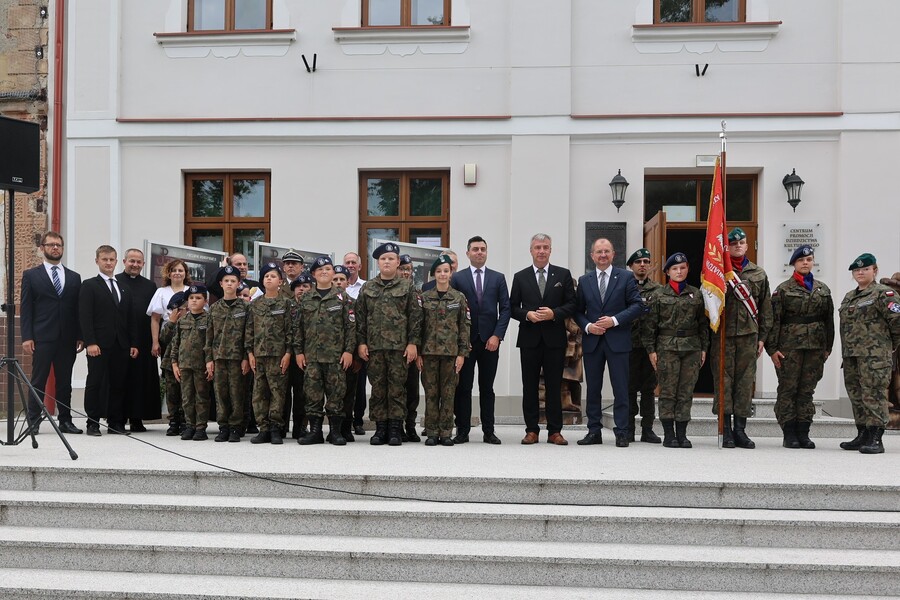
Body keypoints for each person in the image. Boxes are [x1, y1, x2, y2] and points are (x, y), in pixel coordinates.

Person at [574, 238, 643, 447]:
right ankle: (594, 431)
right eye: (598, 252)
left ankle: (622, 431)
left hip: (618, 341)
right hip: (593, 342)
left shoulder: (625, 277)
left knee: (621, 388)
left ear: (613, 254)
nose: (602, 255)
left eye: (606, 251)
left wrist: (614, 320)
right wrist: (587, 326)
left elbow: (637, 305)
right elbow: (577, 311)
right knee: (593, 388)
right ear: (592, 256)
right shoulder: (584, 280)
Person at [509, 233, 576, 445]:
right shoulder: (520, 277)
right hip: (529, 339)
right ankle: (531, 430)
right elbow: (511, 307)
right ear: (531, 250)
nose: (541, 251)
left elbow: (573, 304)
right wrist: (527, 315)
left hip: (554, 340)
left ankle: (555, 431)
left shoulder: (562, 275)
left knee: (554, 386)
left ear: (550, 250)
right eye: (537, 247)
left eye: (545, 247)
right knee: (528, 386)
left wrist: (554, 313)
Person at [765, 245, 834, 449]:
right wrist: (772, 349)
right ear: (794, 263)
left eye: (809, 259)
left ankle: (804, 432)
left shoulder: (823, 289)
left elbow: (828, 320)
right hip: (789, 348)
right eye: (802, 260)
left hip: (815, 348)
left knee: (807, 391)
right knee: (788, 389)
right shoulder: (783, 290)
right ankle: (789, 433)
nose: (806, 263)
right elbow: (773, 321)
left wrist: (827, 347)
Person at [355, 242, 423, 446]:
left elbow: (415, 317)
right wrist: (361, 343)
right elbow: (360, 318)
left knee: (397, 388)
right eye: (383, 259)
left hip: (399, 348)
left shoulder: (407, 286)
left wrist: (413, 344)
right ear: (378, 262)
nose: (387, 261)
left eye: (391, 258)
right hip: (374, 348)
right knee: (377, 388)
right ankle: (380, 428)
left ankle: (395, 428)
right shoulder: (368, 287)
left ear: (397, 262)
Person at [712, 227, 773, 449]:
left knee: (745, 383)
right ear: (726, 247)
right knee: (724, 383)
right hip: (723, 337)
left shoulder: (758, 273)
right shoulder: (717, 272)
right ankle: (726, 430)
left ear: (747, 246)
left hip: (749, 336)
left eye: (742, 243)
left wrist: (762, 337)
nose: (738, 246)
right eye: (733, 243)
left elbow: (766, 308)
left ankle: (740, 430)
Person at [643, 253, 709, 448]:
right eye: (674, 269)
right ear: (667, 272)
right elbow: (650, 326)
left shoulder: (696, 294)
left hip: (691, 347)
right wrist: (651, 350)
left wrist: (704, 348)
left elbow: (703, 324)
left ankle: (682, 433)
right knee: (668, 392)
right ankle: (669, 434)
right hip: (667, 348)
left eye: (682, 268)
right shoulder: (658, 295)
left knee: (686, 392)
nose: (679, 272)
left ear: (687, 269)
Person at [20, 231, 83, 434]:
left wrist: (80, 335)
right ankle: (33, 421)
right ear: (42, 248)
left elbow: (77, 309)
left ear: (62, 249)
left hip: (67, 338)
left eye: (58, 245)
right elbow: (26, 308)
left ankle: (65, 420)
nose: (55, 248)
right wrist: (27, 336)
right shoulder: (31, 275)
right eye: (51, 245)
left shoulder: (74, 277)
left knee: (65, 382)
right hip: (42, 337)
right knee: (38, 380)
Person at [451, 235, 510, 445]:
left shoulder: (498, 278)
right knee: (464, 387)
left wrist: (497, 335)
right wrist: (460, 340)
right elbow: (454, 312)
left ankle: (489, 431)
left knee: (487, 388)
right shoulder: (458, 278)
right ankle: (462, 431)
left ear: (486, 252)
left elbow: (505, 309)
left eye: (482, 249)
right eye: (475, 249)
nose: (479, 252)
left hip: (489, 342)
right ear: (468, 253)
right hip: (466, 343)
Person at [838, 253, 900, 454]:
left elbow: (897, 323)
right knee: (856, 395)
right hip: (852, 356)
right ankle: (862, 433)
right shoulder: (850, 296)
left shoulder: (884, 294)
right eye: (856, 270)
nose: (860, 273)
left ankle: (875, 437)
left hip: (875, 356)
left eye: (865, 269)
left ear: (875, 270)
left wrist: (888, 347)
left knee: (874, 394)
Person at [79, 245, 139, 436]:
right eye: (104, 259)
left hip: (121, 345)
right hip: (99, 345)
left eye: (111, 259)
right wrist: (90, 342)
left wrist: (134, 343)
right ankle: (93, 423)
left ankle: (115, 423)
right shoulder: (89, 286)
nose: (108, 263)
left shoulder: (124, 288)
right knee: (95, 383)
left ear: (116, 261)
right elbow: (85, 316)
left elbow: (130, 318)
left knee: (118, 384)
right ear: (97, 261)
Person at [295, 256, 355, 445]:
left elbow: (351, 327)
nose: (324, 272)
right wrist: (298, 351)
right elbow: (298, 328)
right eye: (320, 270)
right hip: (311, 356)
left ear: (333, 273)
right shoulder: (305, 298)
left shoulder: (343, 298)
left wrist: (348, 351)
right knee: (312, 394)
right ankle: (315, 432)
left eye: (328, 269)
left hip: (336, 357)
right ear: (313, 274)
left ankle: (335, 432)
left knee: (336, 394)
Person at [418, 255, 470, 446]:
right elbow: (418, 327)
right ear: (434, 274)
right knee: (431, 393)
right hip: (429, 353)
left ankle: (446, 432)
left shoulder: (459, 297)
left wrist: (462, 354)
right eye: (439, 271)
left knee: (448, 394)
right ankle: (432, 432)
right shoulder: (424, 298)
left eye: (446, 271)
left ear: (451, 273)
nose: (442, 274)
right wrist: (418, 353)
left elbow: (464, 327)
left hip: (450, 354)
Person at [245, 262, 296, 445]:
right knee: (259, 393)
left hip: (279, 356)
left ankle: (276, 427)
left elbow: (291, 331)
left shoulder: (287, 304)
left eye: (273, 276)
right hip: (259, 356)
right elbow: (249, 331)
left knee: (278, 393)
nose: (269, 279)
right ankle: (263, 428)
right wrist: (250, 353)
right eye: (266, 276)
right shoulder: (255, 305)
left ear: (280, 281)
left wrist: (289, 353)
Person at [116, 248, 161, 432]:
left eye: (138, 262)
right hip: (120, 339)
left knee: (140, 380)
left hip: (143, 339)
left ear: (143, 264)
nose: (135, 265)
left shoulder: (150, 286)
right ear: (124, 261)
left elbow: (155, 315)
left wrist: (154, 341)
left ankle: (137, 419)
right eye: (131, 261)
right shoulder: (115, 281)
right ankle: (118, 418)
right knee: (121, 379)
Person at [147, 259, 192, 434]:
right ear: (168, 273)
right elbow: (155, 319)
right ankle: (174, 421)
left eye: (181, 270)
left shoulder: (191, 292)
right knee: (171, 382)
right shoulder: (161, 292)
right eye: (174, 270)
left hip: (190, 339)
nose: (177, 273)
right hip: (169, 337)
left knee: (188, 381)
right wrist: (155, 341)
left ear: (186, 273)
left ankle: (187, 419)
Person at [206, 266, 249, 443]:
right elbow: (209, 336)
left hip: (238, 358)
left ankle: (236, 427)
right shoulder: (214, 308)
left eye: (233, 281)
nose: (230, 284)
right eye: (227, 281)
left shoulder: (246, 307)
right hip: (219, 358)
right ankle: (223, 427)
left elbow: (249, 334)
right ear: (221, 284)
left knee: (237, 394)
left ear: (238, 284)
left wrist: (246, 357)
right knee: (221, 394)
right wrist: (209, 359)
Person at [626, 248, 662, 443]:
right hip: (628, 346)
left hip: (650, 348)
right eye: (638, 262)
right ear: (631, 265)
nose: (642, 265)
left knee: (649, 389)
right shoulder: (623, 286)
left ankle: (647, 429)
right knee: (629, 388)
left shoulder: (658, 290)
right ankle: (629, 428)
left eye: (646, 262)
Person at [171, 284, 213, 441]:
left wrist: (210, 362)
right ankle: (190, 426)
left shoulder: (209, 320)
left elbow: (211, 343)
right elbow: (176, 344)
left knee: (201, 396)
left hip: (201, 365)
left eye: (198, 298)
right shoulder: (183, 321)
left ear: (205, 301)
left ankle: (201, 427)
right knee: (187, 397)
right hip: (185, 365)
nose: (194, 301)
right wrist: (174, 364)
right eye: (191, 298)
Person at [332, 264, 361, 442]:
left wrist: (356, 356)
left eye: (341, 279)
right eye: (335, 279)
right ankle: (334, 427)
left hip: (349, 357)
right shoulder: (324, 302)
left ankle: (346, 427)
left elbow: (358, 330)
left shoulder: (353, 303)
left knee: (349, 392)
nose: (338, 282)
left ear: (348, 282)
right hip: (330, 357)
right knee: (334, 393)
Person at [343, 251, 368, 435]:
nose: (350, 265)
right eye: (347, 262)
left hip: (359, 342)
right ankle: (343, 421)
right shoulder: (337, 286)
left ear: (359, 266)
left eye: (354, 262)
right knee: (341, 385)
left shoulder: (366, 287)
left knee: (359, 385)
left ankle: (358, 421)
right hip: (339, 345)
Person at [398, 254, 422, 442]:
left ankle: (411, 426)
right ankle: (397, 427)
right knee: (396, 390)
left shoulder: (418, 294)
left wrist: (417, 349)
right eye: (402, 269)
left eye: (408, 269)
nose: (405, 272)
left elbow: (422, 324)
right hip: (393, 349)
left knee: (412, 390)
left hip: (412, 351)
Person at [285, 272, 312, 438]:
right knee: (284, 393)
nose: (301, 289)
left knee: (303, 394)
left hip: (306, 356)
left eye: (305, 286)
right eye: (298, 287)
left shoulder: (313, 305)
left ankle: (300, 427)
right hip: (288, 355)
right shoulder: (286, 306)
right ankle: (282, 427)